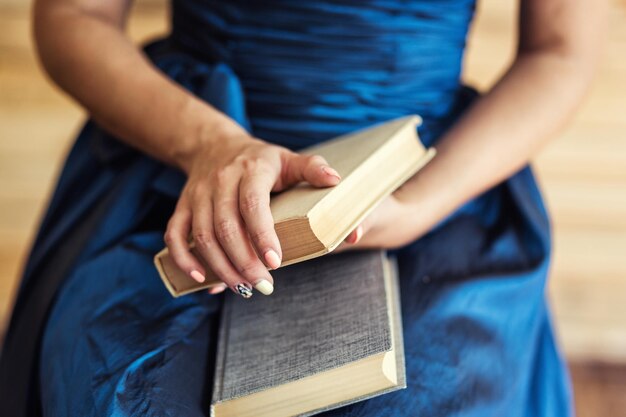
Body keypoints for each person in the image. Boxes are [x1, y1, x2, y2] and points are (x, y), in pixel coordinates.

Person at [0, 0, 606, 416]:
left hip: (428, 172)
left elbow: (559, 51)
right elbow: (75, 17)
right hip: (180, 149)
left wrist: (418, 206)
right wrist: (211, 145)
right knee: (113, 386)